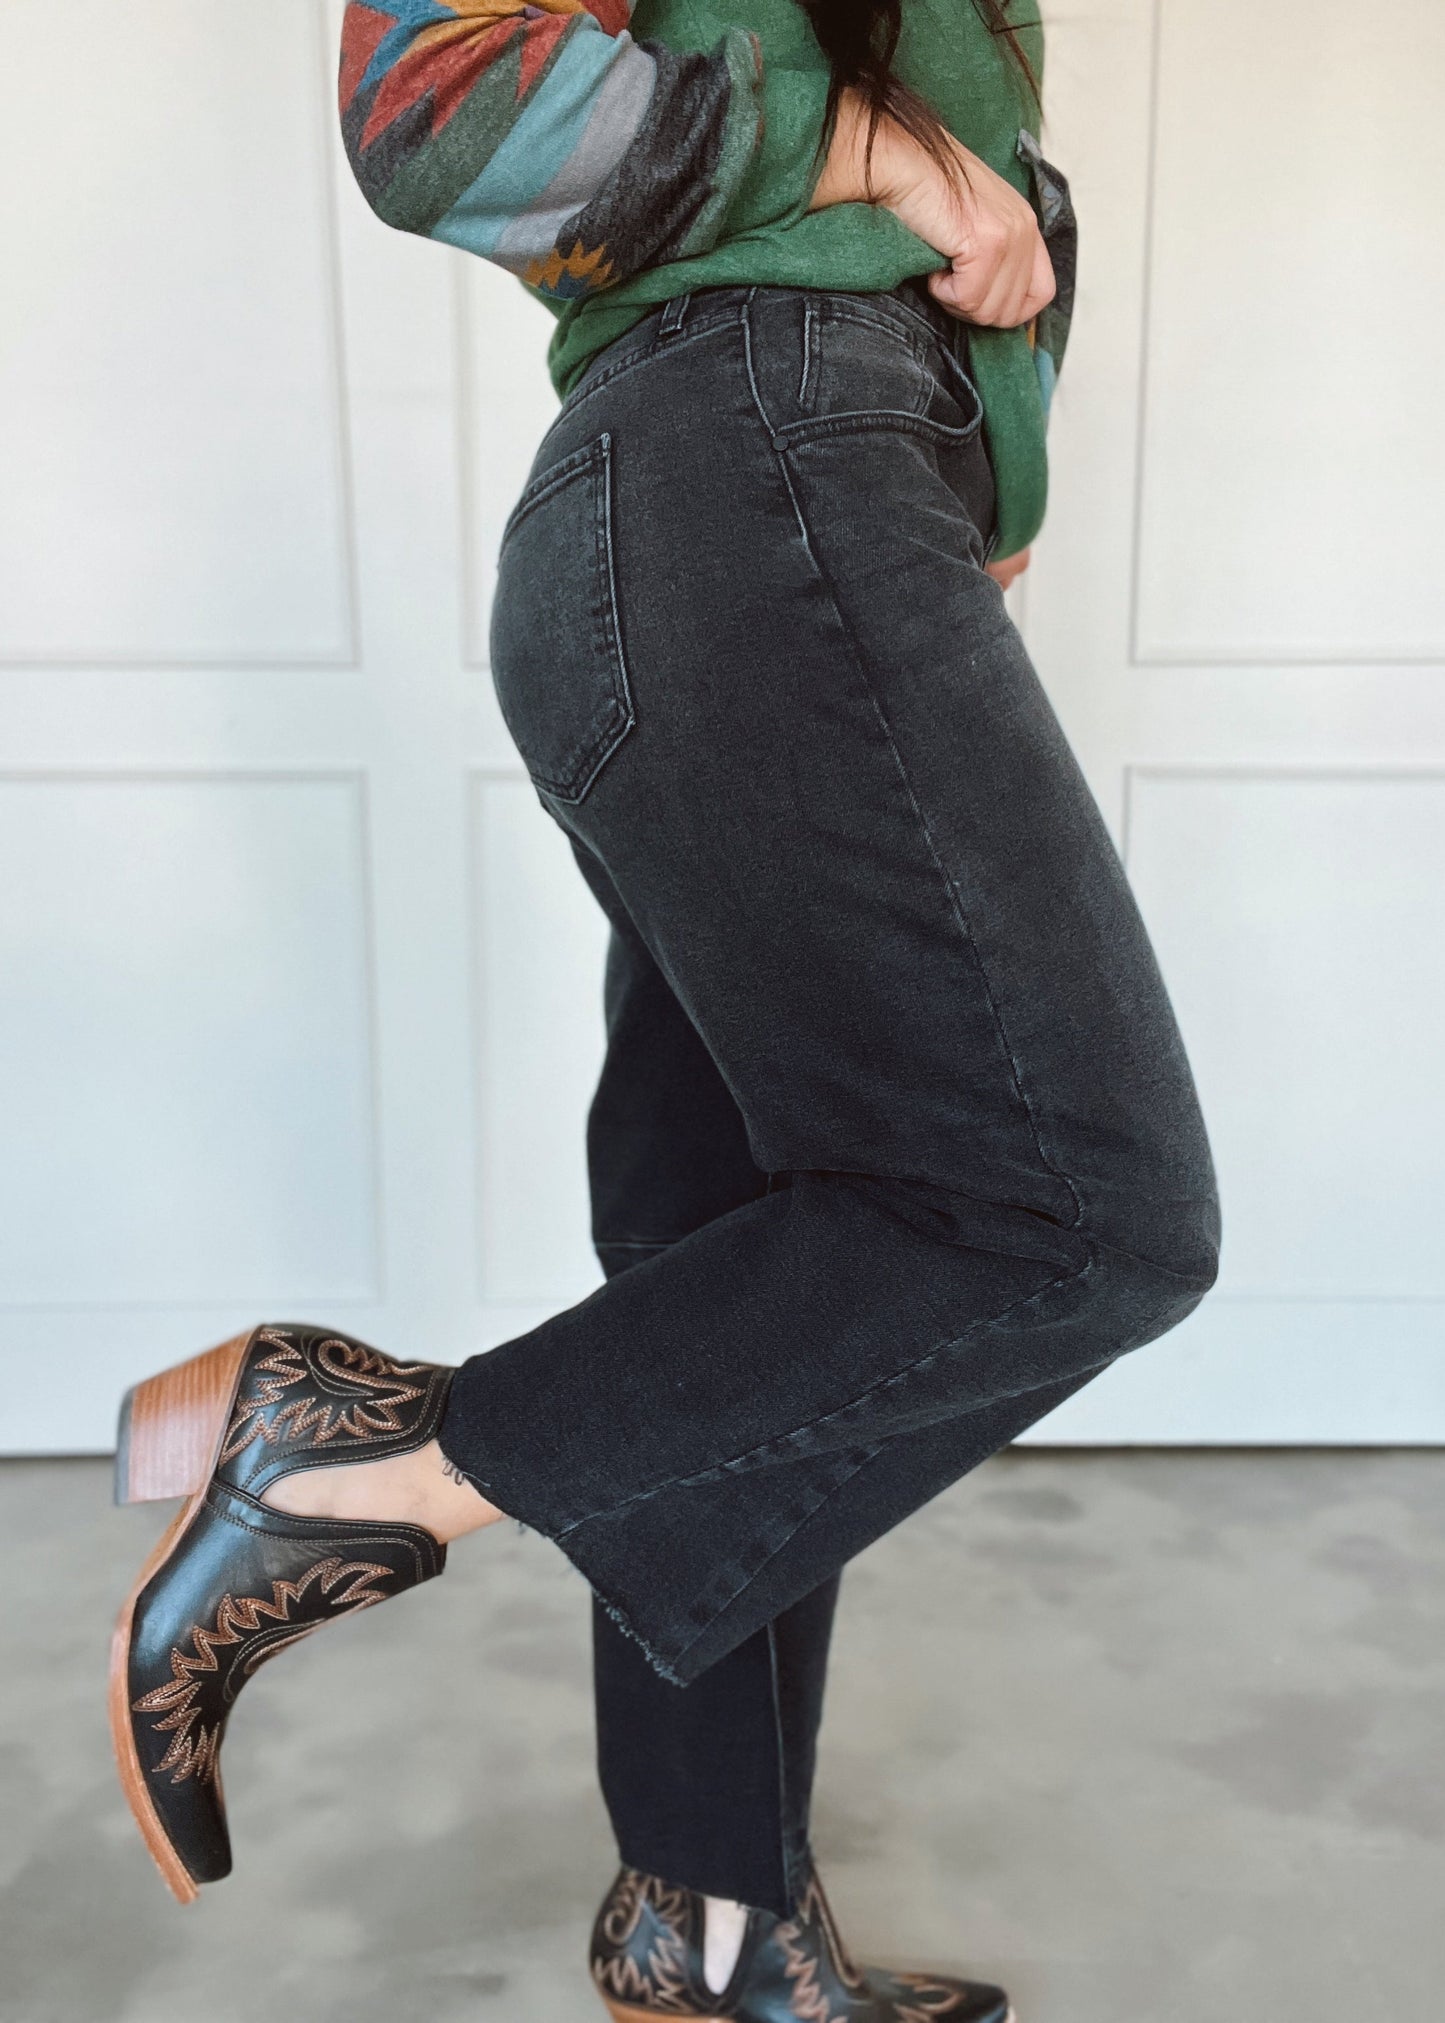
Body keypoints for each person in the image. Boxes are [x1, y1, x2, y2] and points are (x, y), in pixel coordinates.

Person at [110, 1, 1220, 2016]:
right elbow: (429, 90)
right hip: (756, 486)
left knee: (747, 1270)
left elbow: (985, 188)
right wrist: (887, 158)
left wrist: (1002, 410)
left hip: (777, 521)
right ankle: (351, 1461)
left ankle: (705, 1922)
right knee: (1081, 1207)